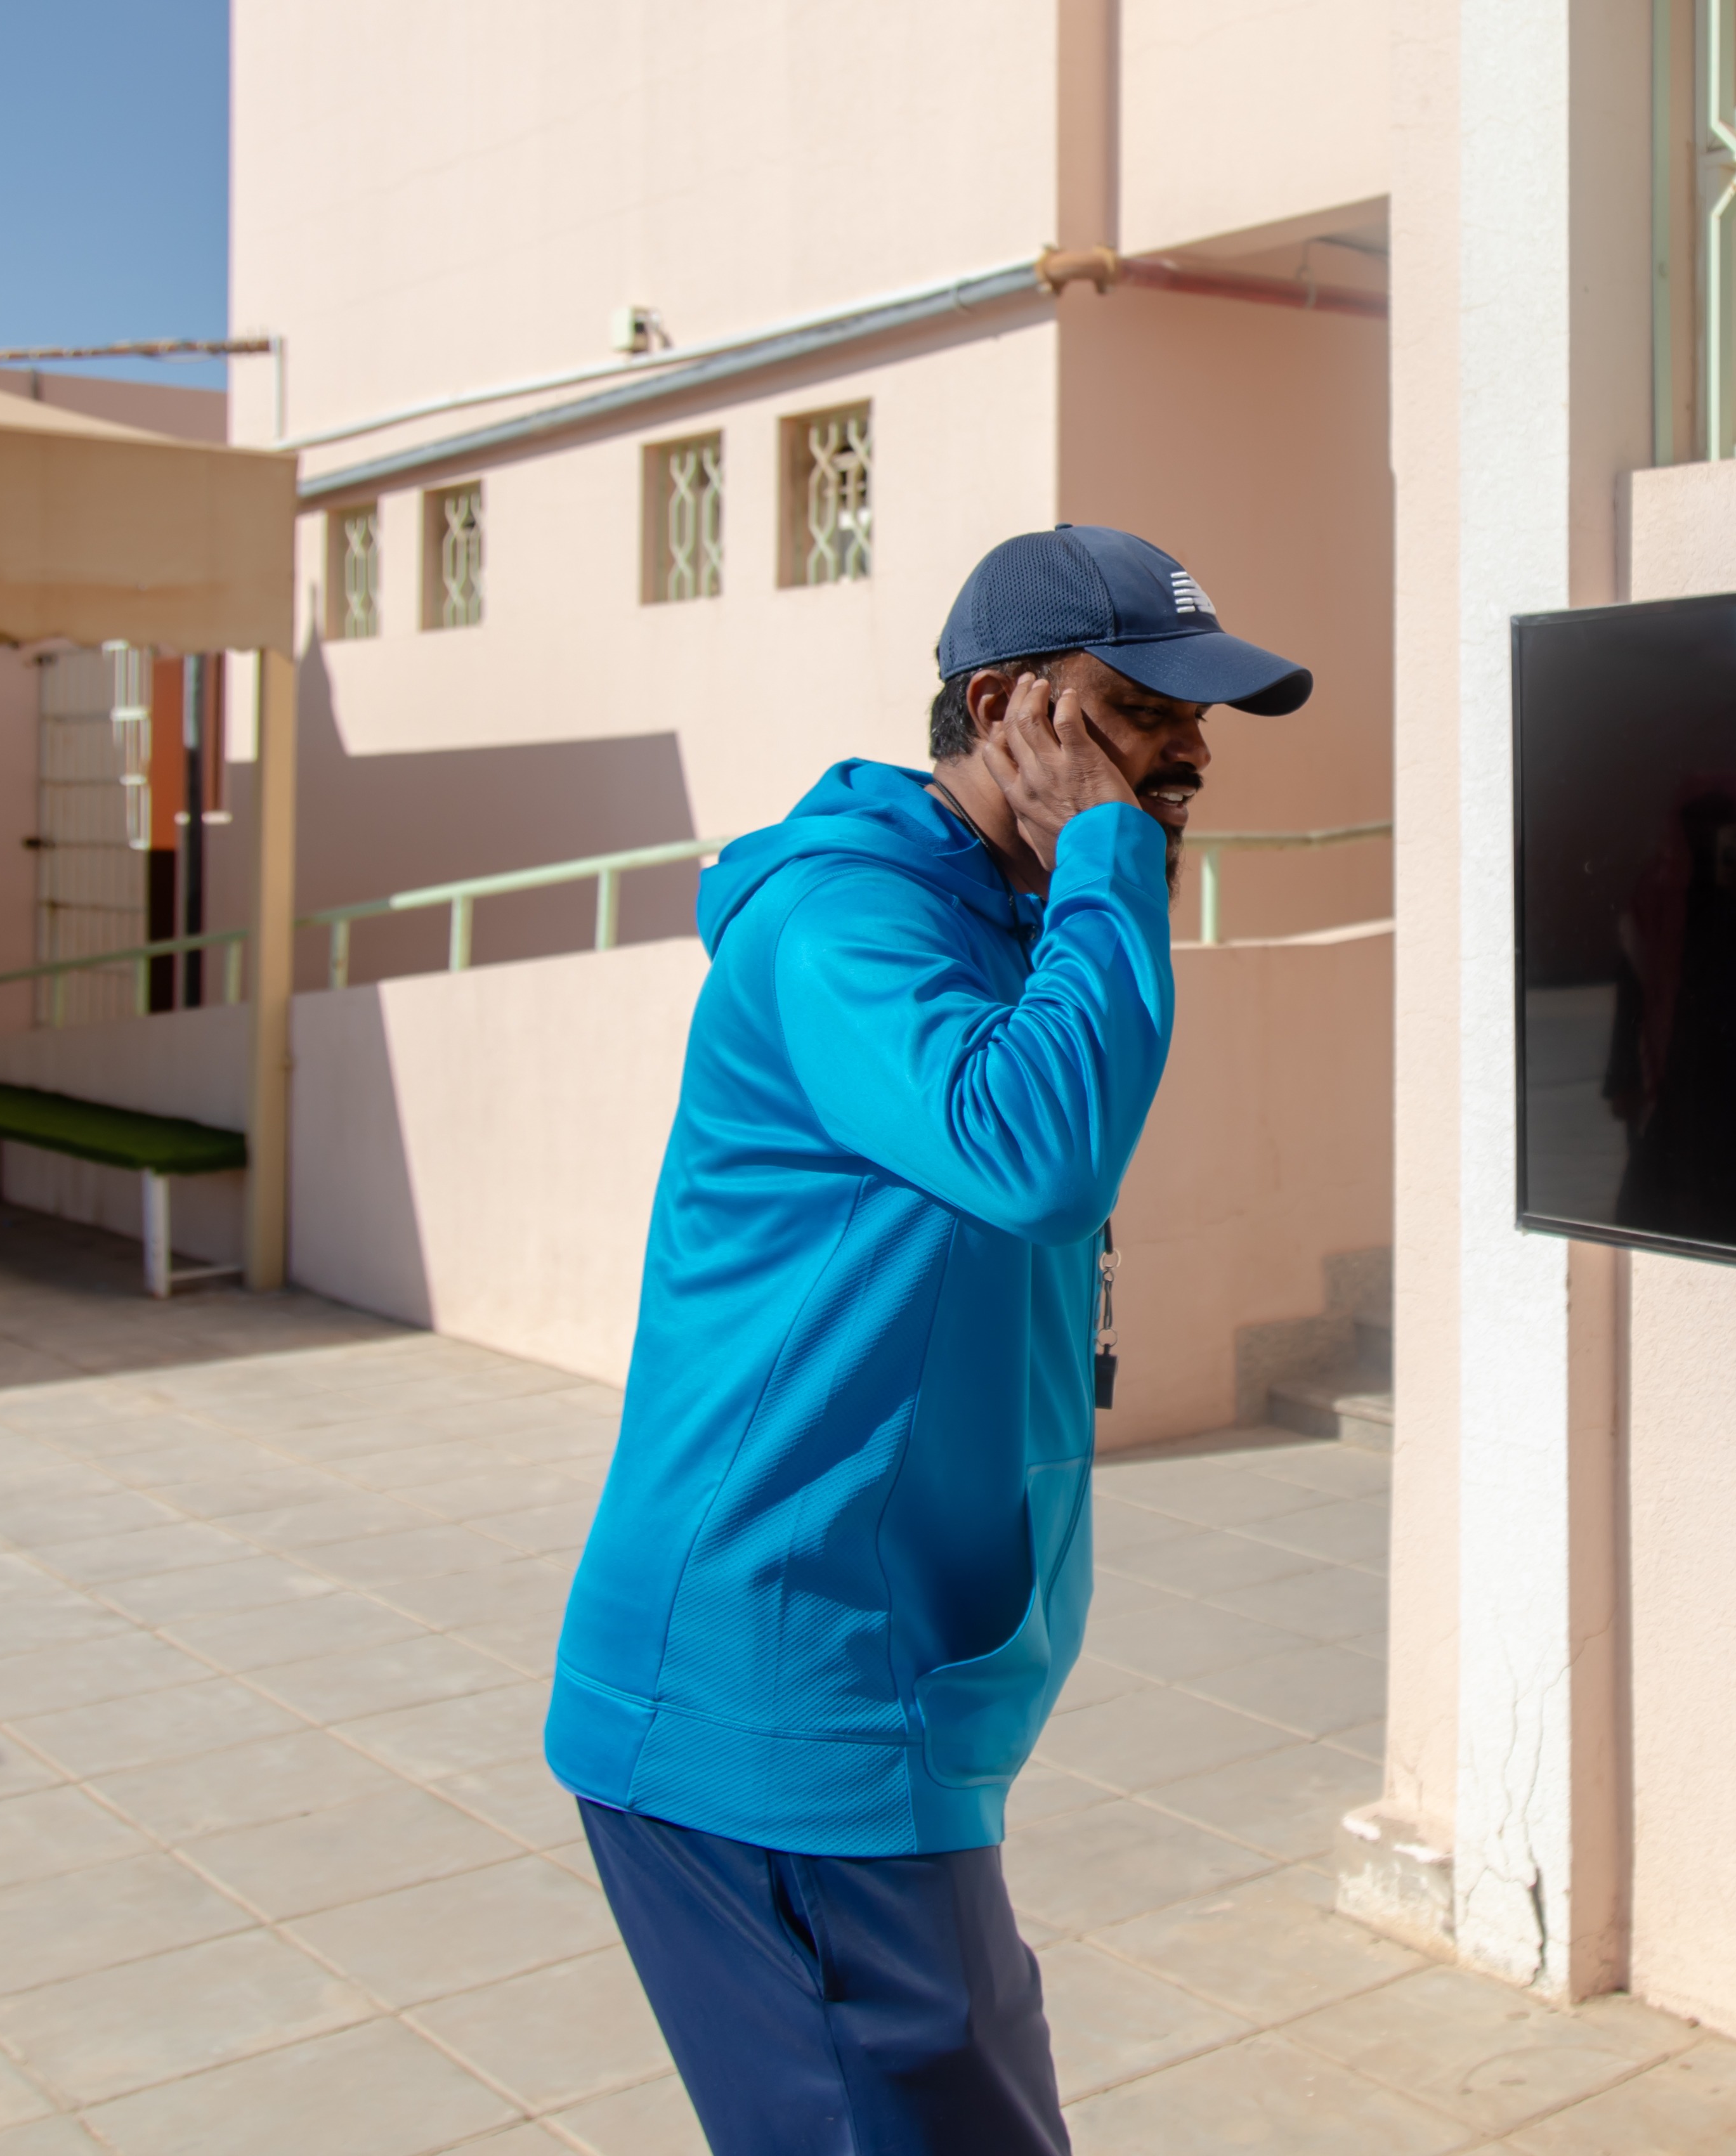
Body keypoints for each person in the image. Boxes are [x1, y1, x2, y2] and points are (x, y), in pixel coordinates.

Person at [546, 524, 1312, 2154]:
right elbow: (1030, 1152)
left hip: (888, 1703)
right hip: (772, 1702)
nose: (1185, 750)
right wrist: (1107, 861)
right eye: (1139, 707)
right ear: (1005, 708)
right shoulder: (844, 921)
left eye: (1199, 719)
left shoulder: (1010, 918)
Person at [1603, 774, 1736, 1248]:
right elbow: (1632, 984)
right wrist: (1624, 1079)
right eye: (1697, 819)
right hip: (1677, 1063)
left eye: (1722, 820)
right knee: (1670, 1200)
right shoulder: (1658, 884)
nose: (1708, 830)